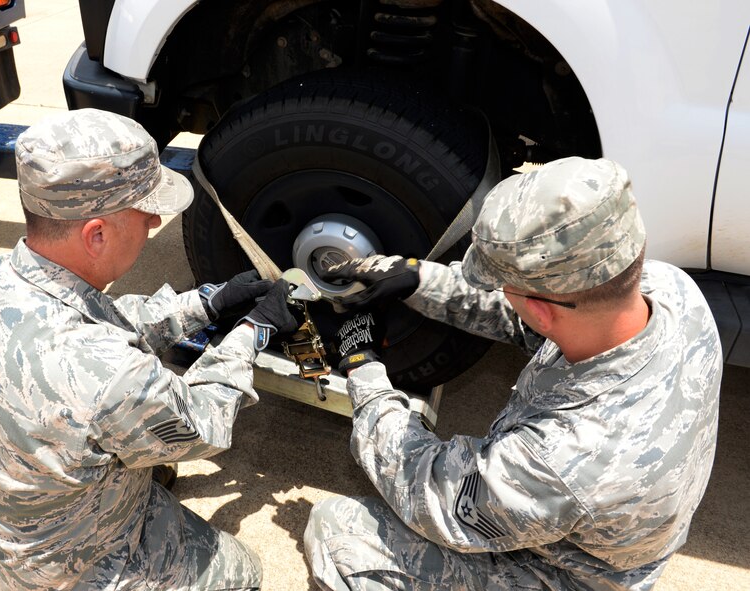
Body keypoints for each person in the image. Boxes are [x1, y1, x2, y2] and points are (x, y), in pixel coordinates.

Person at [304, 157, 722, 591]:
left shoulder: (563, 456)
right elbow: (533, 315)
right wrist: (417, 279)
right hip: (597, 531)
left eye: (502, 285)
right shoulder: (671, 289)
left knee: (340, 533)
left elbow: (429, 492)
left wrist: (363, 368)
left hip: (570, 575)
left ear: (542, 308)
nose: (500, 293)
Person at [0, 108, 297, 590]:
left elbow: (104, 324)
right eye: (144, 210)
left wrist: (209, 302)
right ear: (97, 234)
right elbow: (202, 419)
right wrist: (254, 329)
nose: (153, 220)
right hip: (63, 571)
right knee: (241, 571)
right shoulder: (113, 378)